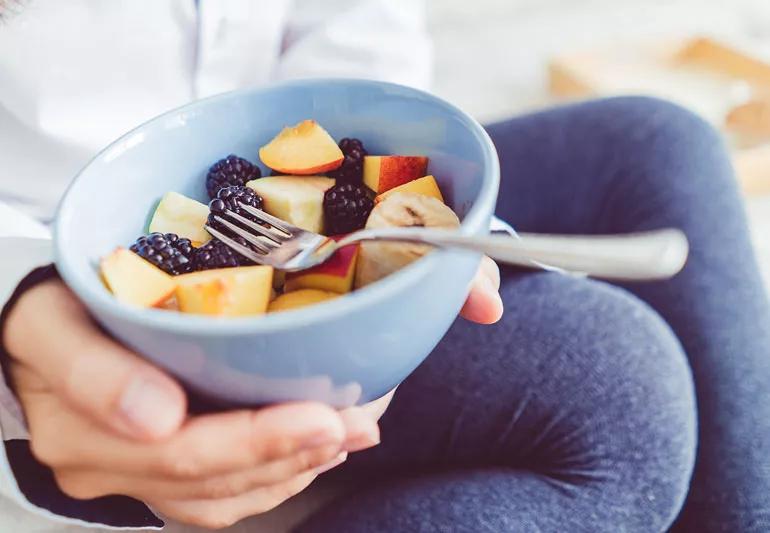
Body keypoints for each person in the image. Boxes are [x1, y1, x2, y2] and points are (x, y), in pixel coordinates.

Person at [1, 1, 768, 532]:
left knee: (661, 143)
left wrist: (369, 146)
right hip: (61, 292)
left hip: (274, 186)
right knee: (619, 378)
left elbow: (351, 29)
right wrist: (19, 315)